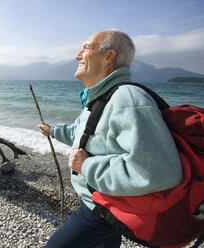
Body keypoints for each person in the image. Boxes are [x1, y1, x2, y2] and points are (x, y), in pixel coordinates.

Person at [38, 30, 183, 248]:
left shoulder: (128, 99)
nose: (78, 55)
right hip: (99, 201)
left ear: (108, 57)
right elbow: (81, 134)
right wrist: (53, 131)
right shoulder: (101, 97)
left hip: (102, 208)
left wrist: (87, 165)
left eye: (86, 48)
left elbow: (161, 171)